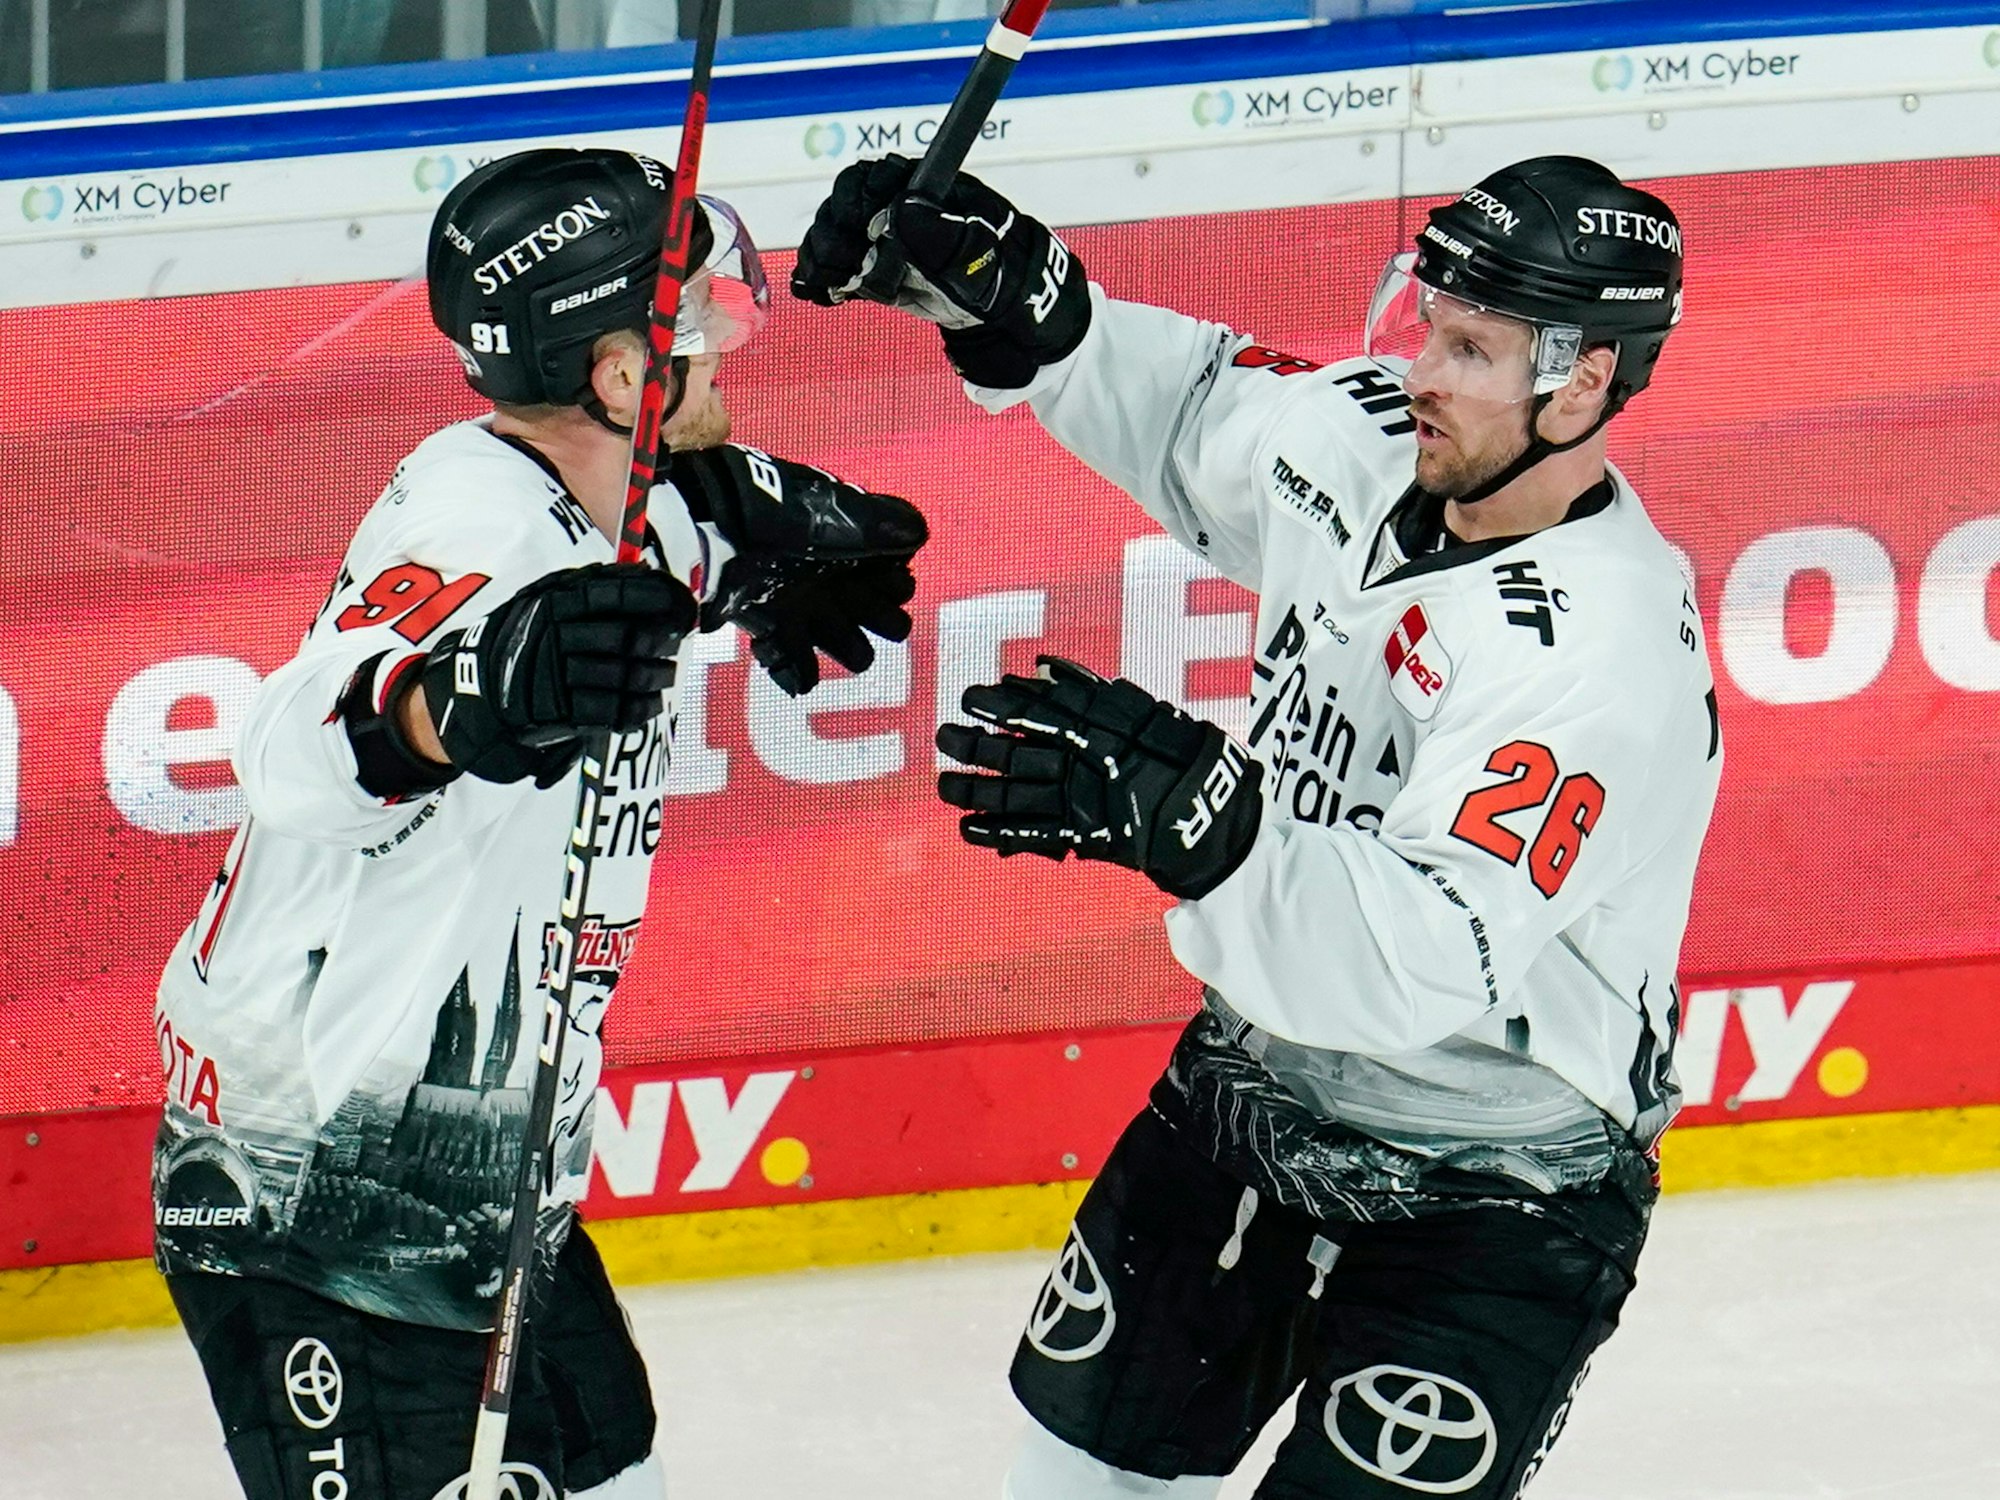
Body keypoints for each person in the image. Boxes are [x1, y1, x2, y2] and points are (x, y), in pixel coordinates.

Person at [793, 154, 1718, 1497]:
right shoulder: (1373, 440)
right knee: (1067, 1482)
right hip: (1253, 1094)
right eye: (1428, 322)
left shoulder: (1595, 658)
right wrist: (1011, 296)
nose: (1424, 370)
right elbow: (1190, 407)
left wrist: (1210, 832)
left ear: (1581, 382)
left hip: (1500, 1193)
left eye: (1470, 346)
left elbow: (1421, 959)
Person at [152, 146, 927, 1500]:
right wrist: (460, 701)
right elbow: (291, 746)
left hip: (494, 1189)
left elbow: (701, 520)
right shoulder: (478, 528)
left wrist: (780, 532)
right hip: (323, 1198)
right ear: (625, 375)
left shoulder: (613, 491)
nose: (730, 346)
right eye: (703, 328)